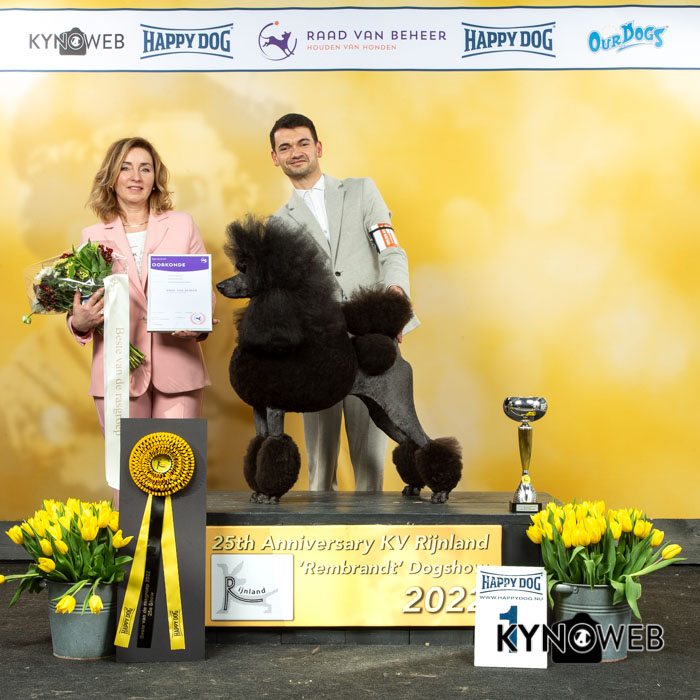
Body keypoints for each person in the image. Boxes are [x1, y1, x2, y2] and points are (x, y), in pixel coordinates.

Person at [269, 113, 418, 492]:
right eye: (285, 147)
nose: (295, 152)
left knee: (370, 460)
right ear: (275, 158)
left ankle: (373, 525)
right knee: (321, 465)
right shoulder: (276, 225)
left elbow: (391, 249)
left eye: (303, 143)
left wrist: (396, 298)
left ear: (318, 148)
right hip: (315, 349)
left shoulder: (362, 191)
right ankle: (319, 527)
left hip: (370, 339)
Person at [68, 137, 215, 506]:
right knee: (128, 482)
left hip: (177, 366)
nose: (136, 176)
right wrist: (79, 322)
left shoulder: (182, 225)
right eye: (126, 168)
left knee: (179, 478)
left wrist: (198, 323)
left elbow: (202, 290)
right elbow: (83, 305)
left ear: (155, 178)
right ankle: (132, 547)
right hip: (117, 372)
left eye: (145, 168)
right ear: (111, 177)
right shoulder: (91, 237)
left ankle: (176, 549)